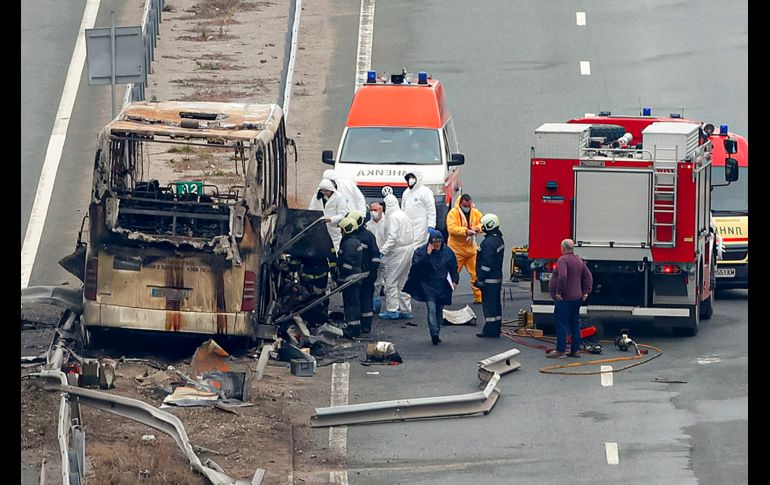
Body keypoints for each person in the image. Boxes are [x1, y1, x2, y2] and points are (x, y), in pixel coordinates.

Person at [404, 229, 459, 345]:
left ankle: (437, 330)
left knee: (439, 310)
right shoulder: (421, 251)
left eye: (439, 242)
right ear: (430, 242)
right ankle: (434, 332)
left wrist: (454, 281)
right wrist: (427, 255)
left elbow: (454, 267)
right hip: (428, 285)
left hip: (442, 285)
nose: (437, 245)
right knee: (431, 308)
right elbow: (416, 267)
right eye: (435, 242)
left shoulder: (448, 252)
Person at [546, 239, 593, 358]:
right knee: (574, 324)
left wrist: (559, 292)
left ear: (563, 248)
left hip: (565, 298)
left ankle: (560, 350)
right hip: (577, 298)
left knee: (561, 323)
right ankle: (575, 350)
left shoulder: (563, 260)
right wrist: (586, 291)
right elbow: (588, 276)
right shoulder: (579, 260)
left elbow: (563, 276)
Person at [378, 194, 415, 320]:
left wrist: (382, 251)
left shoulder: (393, 217)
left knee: (391, 281)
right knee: (403, 281)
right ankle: (406, 309)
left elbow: (392, 238)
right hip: (409, 248)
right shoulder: (403, 214)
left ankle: (392, 309)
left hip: (398, 251)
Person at [446, 193, 484, 303]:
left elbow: (482, 224)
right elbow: (452, 229)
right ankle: (445, 296)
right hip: (456, 251)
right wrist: (465, 231)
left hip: (471, 250)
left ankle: (479, 297)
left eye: (469, 206)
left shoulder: (475, 213)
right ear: (460, 204)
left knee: (476, 274)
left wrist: (477, 229)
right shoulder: (453, 213)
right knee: (452, 274)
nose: (467, 208)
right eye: (465, 206)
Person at [347, 211, 380, 334]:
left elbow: (375, 255)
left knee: (363, 300)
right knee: (358, 300)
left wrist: (373, 271)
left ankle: (364, 326)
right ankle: (358, 326)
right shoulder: (363, 236)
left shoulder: (367, 236)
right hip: (359, 274)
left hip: (364, 274)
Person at [474, 214, 505, 338]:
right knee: (496, 305)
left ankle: (490, 330)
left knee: (489, 306)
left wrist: (480, 277)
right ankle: (495, 328)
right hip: (496, 277)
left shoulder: (488, 243)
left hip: (489, 279)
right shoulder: (498, 240)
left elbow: (486, 263)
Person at [337, 216, 364, 338]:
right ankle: (355, 327)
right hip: (355, 277)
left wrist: (341, 277)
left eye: (342, 229)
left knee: (350, 304)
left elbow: (347, 263)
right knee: (354, 303)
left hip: (350, 278)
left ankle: (352, 329)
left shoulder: (349, 244)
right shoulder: (355, 241)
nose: (341, 232)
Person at [401, 171, 437, 248]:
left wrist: (431, 225)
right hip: (408, 225)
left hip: (421, 225)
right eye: (409, 177)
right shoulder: (406, 193)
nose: (411, 180)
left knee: (418, 247)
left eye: (413, 177)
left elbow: (431, 210)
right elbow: (403, 209)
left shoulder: (425, 192)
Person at [366, 202, 388, 313]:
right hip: (374, 258)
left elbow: (390, 239)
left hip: (386, 256)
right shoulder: (368, 226)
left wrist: (384, 251)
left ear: (381, 210)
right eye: (371, 210)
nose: (373, 212)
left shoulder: (387, 223)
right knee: (376, 282)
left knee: (389, 281)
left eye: (376, 210)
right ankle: (376, 303)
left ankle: (392, 306)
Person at [318, 179, 348, 251]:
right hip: (320, 229)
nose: (325, 193)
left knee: (336, 248)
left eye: (327, 191)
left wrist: (331, 219)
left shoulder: (339, 197)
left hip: (334, 229)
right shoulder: (318, 197)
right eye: (323, 191)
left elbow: (342, 214)